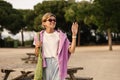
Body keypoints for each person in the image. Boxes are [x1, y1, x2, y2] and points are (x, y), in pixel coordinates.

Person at [33, 12, 78, 80]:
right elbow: (36, 54)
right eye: (50, 20)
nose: (53, 21)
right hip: (45, 64)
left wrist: (74, 35)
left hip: (58, 63)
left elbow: (72, 50)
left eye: (54, 20)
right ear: (44, 23)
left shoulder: (61, 35)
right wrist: (37, 47)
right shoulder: (39, 36)